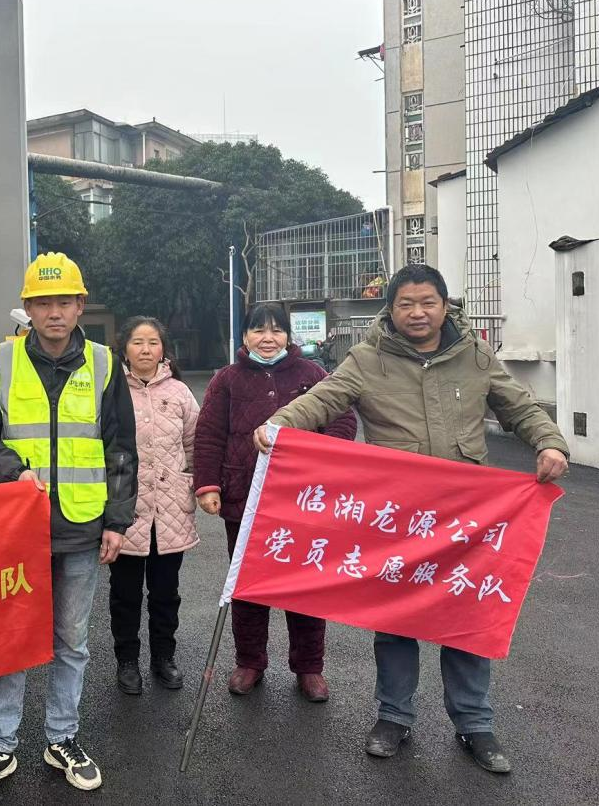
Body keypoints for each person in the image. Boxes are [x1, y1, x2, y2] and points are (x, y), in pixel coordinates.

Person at [255, 264, 569, 774]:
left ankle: (475, 724)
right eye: (406, 303)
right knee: (396, 621)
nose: (417, 312)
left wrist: (550, 442)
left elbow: (520, 407)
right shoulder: (367, 358)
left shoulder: (474, 355)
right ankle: (393, 717)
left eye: (427, 302)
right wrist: (279, 423)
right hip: (399, 519)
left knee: (465, 619)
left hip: (468, 519)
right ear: (391, 309)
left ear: (445, 305)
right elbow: (321, 400)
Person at [0, 252, 137, 802]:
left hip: (82, 526)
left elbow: (121, 447)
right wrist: (11, 468)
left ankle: (62, 738)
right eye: (42, 303)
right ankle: (1, 743)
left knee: (71, 642)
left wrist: (117, 520)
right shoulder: (0, 361)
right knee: (10, 638)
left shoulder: (104, 364)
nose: (54, 312)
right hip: (16, 528)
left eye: (64, 302)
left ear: (81, 305)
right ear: (27, 309)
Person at [193, 303, 357, 701]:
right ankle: (250, 662)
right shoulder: (227, 380)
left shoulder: (312, 375)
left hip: (302, 502)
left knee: (305, 586)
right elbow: (209, 434)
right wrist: (209, 485)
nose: (267, 338)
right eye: (258, 330)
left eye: (276, 330)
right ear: (245, 335)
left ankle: (309, 668)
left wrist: (317, 456)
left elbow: (343, 419)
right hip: (245, 498)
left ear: (288, 335)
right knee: (247, 585)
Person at [107, 316, 199, 696]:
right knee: (125, 594)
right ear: (124, 348)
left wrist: (192, 481)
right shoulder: (111, 390)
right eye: (137, 342)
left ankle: (164, 657)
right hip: (125, 508)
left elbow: (194, 443)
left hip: (170, 509)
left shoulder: (179, 392)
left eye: (153, 342)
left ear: (163, 349)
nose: (145, 350)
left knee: (165, 593)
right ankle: (127, 661)